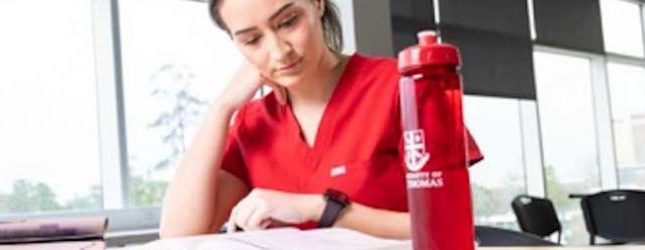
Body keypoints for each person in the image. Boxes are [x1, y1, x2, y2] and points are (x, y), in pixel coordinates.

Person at [158, 0, 484, 239]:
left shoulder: (404, 87)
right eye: (252, 40)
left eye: (288, 22)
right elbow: (178, 234)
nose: (278, 51)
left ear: (317, 4)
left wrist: (318, 209)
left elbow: (450, 227)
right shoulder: (252, 123)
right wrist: (222, 108)